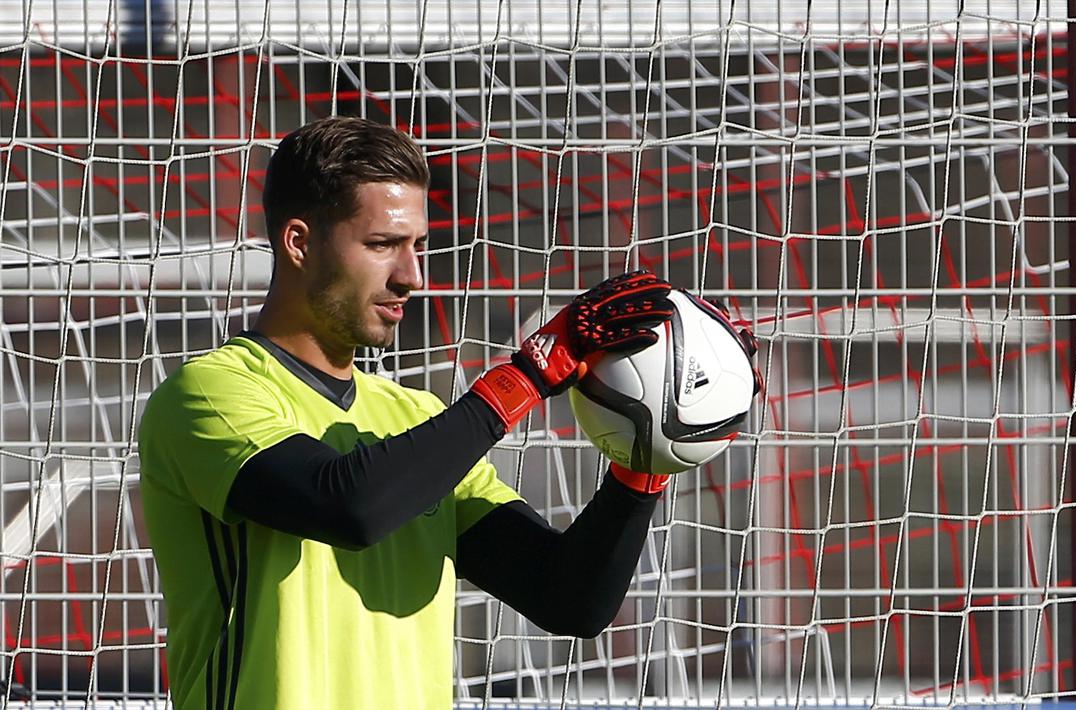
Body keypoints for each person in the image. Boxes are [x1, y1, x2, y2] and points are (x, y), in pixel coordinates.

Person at [138, 116, 754, 710]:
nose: (411, 276)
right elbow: (348, 507)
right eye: (382, 245)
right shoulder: (212, 394)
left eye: (419, 246)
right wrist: (527, 376)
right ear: (298, 242)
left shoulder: (415, 416)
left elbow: (569, 600)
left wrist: (648, 456)